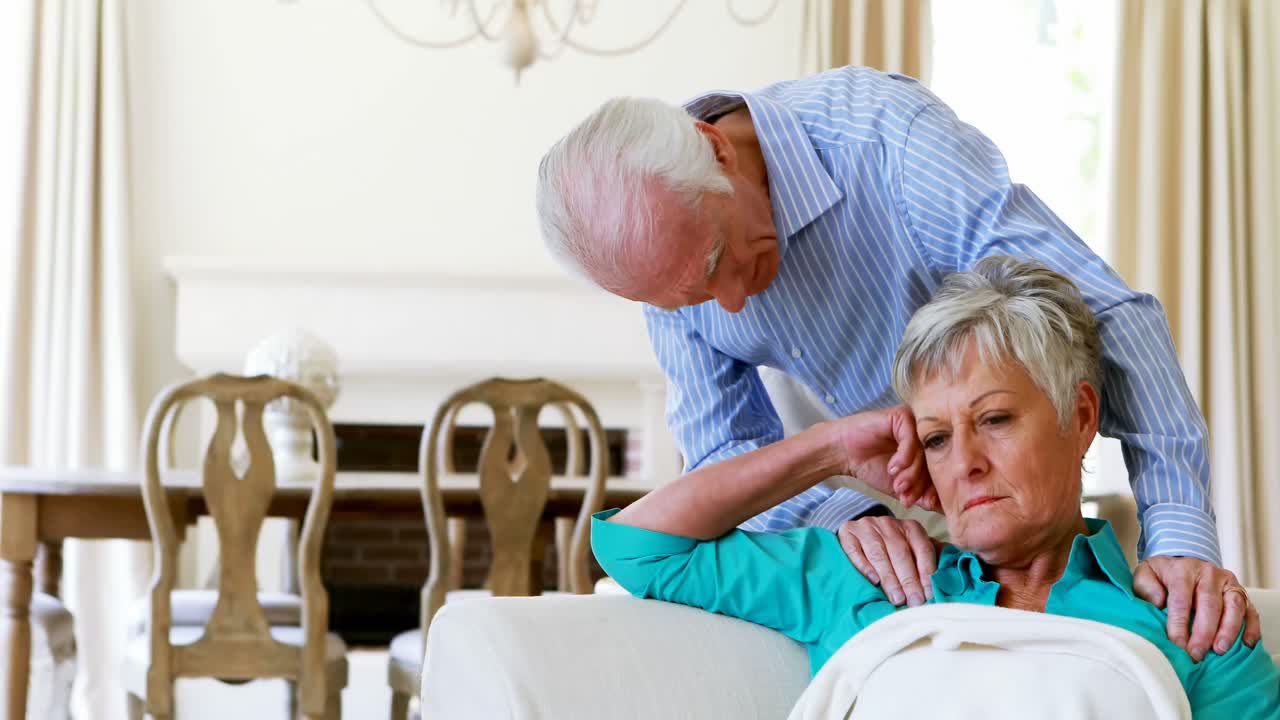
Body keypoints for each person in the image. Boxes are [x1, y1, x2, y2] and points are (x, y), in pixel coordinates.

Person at [535, 65, 1257, 659]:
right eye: (689, 298)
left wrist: (1180, 536)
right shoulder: (672, 261)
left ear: (715, 150)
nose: (725, 305)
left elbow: (1103, 312)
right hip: (875, 526)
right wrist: (845, 503)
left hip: (1028, 512)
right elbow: (719, 451)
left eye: (721, 261)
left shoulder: (885, 140)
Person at [592, 257, 1278, 716]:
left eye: (996, 420)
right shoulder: (868, 579)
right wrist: (828, 447)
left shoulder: (1189, 622)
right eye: (937, 438)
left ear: (1082, 417)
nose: (965, 462)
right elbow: (638, 547)